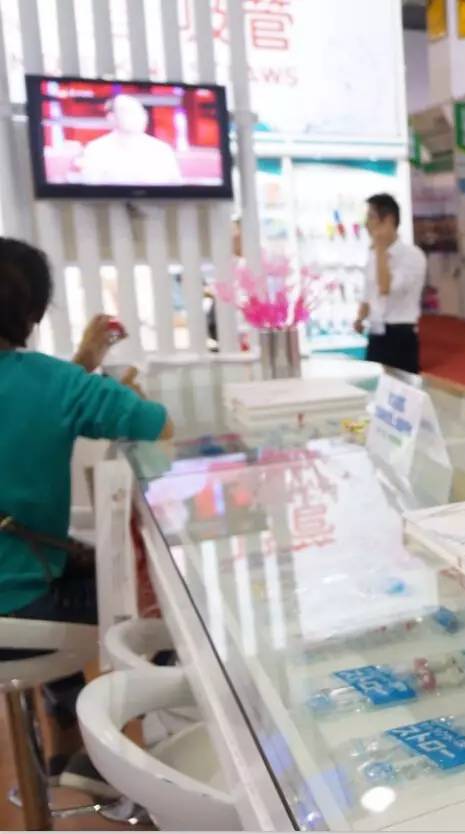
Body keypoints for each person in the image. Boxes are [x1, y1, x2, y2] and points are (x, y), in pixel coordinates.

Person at [0, 238, 174, 796]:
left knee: (63, 570)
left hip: (16, 598)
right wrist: (100, 381)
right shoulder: (53, 384)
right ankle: (117, 753)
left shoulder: (55, 382)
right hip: (20, 615)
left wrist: (81, 365)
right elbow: (155, 424)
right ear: (31, 315)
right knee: (168, 600)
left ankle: (69, 737)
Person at [354, 193, 425, 374]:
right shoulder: (373, 256)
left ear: (389, 220)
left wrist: (379, 248)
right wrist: (360, 318)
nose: (367, 224)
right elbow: (368, 293)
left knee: (402, 386)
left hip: (400, 335)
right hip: (376, 333)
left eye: (371, 217)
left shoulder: (412, 256)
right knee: (375, 384)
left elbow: (385, 288)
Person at [78, 93, 183, 186]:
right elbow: (89, 190)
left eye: (140, 111)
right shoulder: (96, 149)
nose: (137, 117)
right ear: (111, 117)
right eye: (128, 111)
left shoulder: (162, 150)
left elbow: (176, 189)